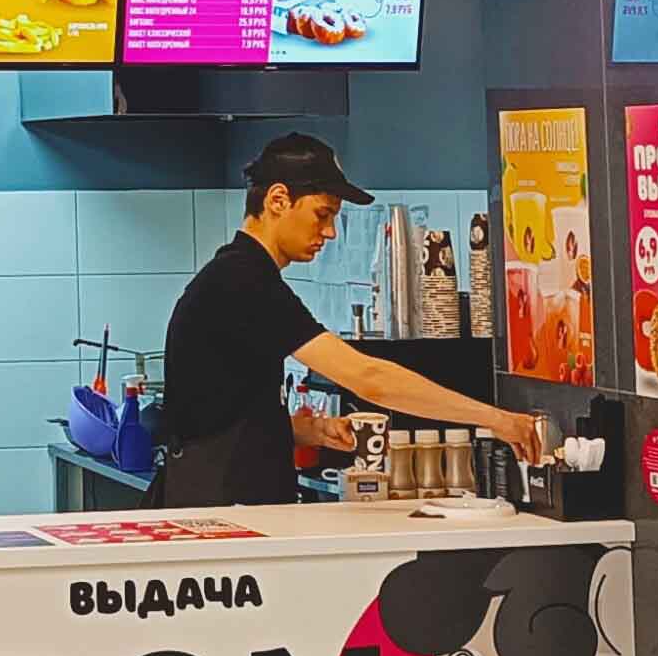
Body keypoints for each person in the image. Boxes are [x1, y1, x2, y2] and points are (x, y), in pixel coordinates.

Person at [150, 133, 545, 507]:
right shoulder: (243, 281)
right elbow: (369, 378)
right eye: (322, 215)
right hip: (222, 508)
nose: (330, 232)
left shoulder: (240, 274)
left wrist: (309, 430)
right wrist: (496, 419)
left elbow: (219, 413)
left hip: (227, 498)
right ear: (277, 200)